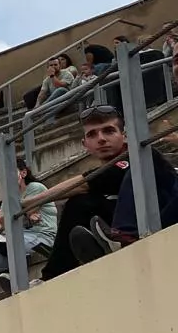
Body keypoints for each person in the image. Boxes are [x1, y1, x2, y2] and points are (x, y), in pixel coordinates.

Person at [35, 104, 178, 280]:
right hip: (138, 225)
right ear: (85, 144)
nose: (101, 139)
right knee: (79, 203)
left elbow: (85, 183)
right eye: (92, 134)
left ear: (125, 136)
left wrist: (29, 203)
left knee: (144, 157)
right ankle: (50, 277)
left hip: (168, 215)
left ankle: (121, 237)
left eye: (109, 131)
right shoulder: (111, 177)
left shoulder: (141, 157)